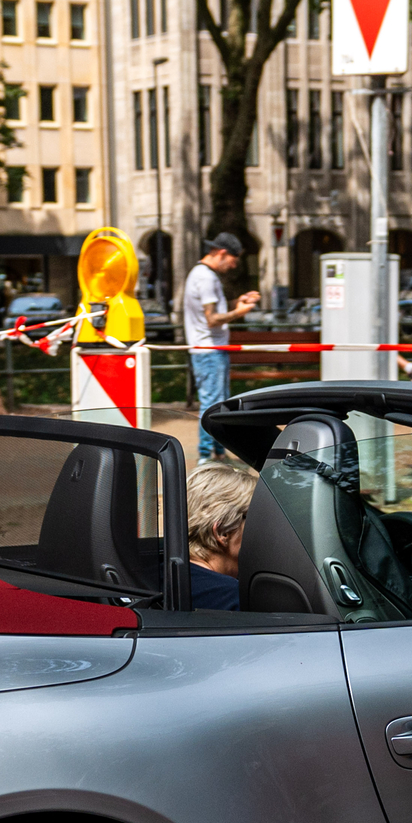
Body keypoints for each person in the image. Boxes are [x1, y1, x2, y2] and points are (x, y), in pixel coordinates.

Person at [182, 233, 260, 461]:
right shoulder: (206, 278)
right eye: (233, 260)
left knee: (218, 403)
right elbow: (212, 319)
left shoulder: (203, 275)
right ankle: (207, 456)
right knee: (213, 404)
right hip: (209, 350)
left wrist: (239, 301)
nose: (234, 266)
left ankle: (217, 451)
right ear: (222, 253)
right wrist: (239, 313)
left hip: (211, 349)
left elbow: (215, 310)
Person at [184, 459, 258, 610]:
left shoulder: (153, 576)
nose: (261, 528)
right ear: (223, 531)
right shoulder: (231, 597)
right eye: (255, 518)